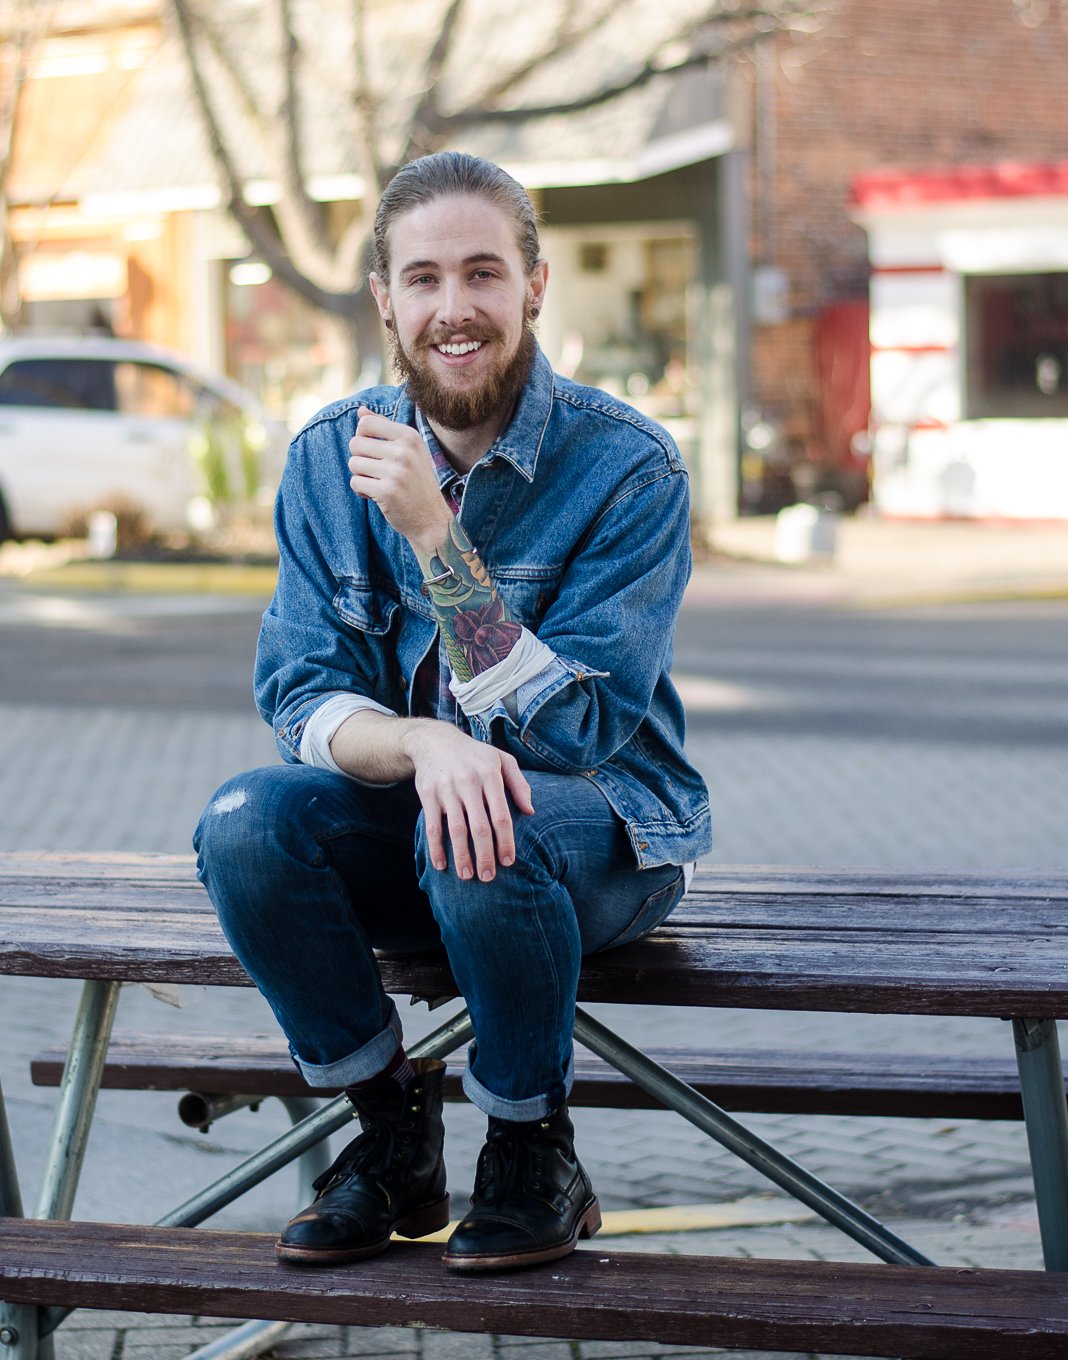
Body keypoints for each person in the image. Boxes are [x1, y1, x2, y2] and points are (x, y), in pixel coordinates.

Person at [193, 151, 711, 1273]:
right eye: (423, 278)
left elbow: (571, 735)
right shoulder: (328, 459)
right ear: (385, 297)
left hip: (598, 833)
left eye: (483, 272)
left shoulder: (629, 469)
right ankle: (390, 1137)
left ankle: (533, 1148)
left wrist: (437, 537)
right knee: (246, 823)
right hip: (430, 826)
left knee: (486, 826)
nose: (453, 307)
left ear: (533, 285)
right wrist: (425, 742)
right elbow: (300, 697)